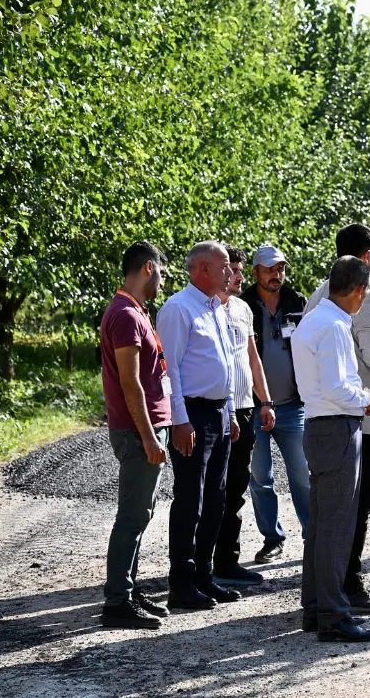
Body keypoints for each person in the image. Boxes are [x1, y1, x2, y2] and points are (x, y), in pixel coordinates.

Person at [304, 224, 370, 616]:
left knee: (328, 510)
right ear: (366, 258)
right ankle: (348, 585)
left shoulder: (316, 296)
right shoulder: (364, 299)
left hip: (321, 414)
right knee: (356, 507)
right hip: (359, 414)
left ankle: (323, 594)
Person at [293, 256, 370, 642]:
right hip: (335, 426)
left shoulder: (313, 319)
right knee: (336, 526)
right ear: (359, 291)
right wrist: (366, 399)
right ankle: (333, 614)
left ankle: (315, 607)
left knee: (321, 525)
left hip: (319, 425)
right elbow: (336, 387)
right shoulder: (331, 326)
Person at [156, 241, 241, 611]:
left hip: (220, 412)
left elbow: (225, 364)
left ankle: (205, 575)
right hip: (192, 414)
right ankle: (182, 582)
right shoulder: (178, 308)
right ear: (202, 268)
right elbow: (168, 370)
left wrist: (233, 411)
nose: (230, 272)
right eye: (224, 266)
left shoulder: (217, 309)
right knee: (191, 497)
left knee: (217, 497)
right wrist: (179, 420)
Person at [99, 242, 173, 629]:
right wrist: (148, 437)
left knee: (141, 514)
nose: (162, 279)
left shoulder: (137, 311)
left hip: (144, 427)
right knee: (131, 515)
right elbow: (131, 385)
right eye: (161, 271)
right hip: (135, 430)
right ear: (148, 268)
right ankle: (116, 602)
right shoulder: (126, 315)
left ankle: (128, 588)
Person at [239, 246, 309, 564]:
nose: (276, 275)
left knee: (304, 474)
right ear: (255, 272)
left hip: (293, 406)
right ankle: (272, 539)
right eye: (269, 269)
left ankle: (315, 534)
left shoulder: (297, 302)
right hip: (254, 409)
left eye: (280, 269)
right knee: (260, 478)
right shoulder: (241, 307)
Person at [212, 245, 277, 586]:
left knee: (236, 488)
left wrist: (265, 401)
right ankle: (196, 564)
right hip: (212, 410)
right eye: (232, 270)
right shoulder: (204, 308)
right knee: (210, 490)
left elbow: (253, 358)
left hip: (245, 408)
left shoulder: (242, 309)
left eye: (238, 270)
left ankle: (227, 561)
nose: (237, 277)